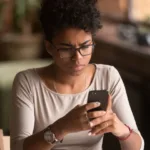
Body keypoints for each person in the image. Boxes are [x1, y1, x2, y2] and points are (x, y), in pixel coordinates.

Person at [10, 0, 144, 150]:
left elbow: (138, 146)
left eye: (85, 46)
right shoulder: (28, 82)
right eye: (67, 49)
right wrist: (62, 127)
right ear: (49, 47)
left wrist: (121, 130)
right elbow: (17, 148)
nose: (78, 58)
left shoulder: (108, 76)